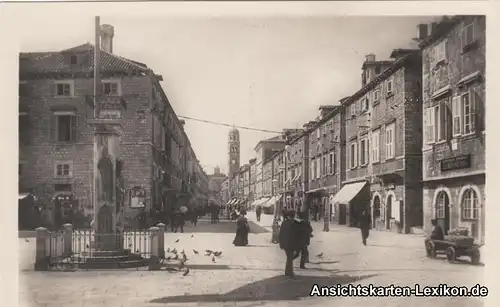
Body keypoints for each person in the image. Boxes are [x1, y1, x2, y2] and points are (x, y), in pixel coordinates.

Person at [279, 210, 298, 277]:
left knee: (289, 258)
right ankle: (290, 272)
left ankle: (287, 271)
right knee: (290, 258)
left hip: (285, 244)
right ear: (292, 216)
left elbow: (280, 234)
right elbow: (294, 235)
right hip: (290, 244)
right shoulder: (292, 223)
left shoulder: (284, 222)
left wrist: (281, 243)